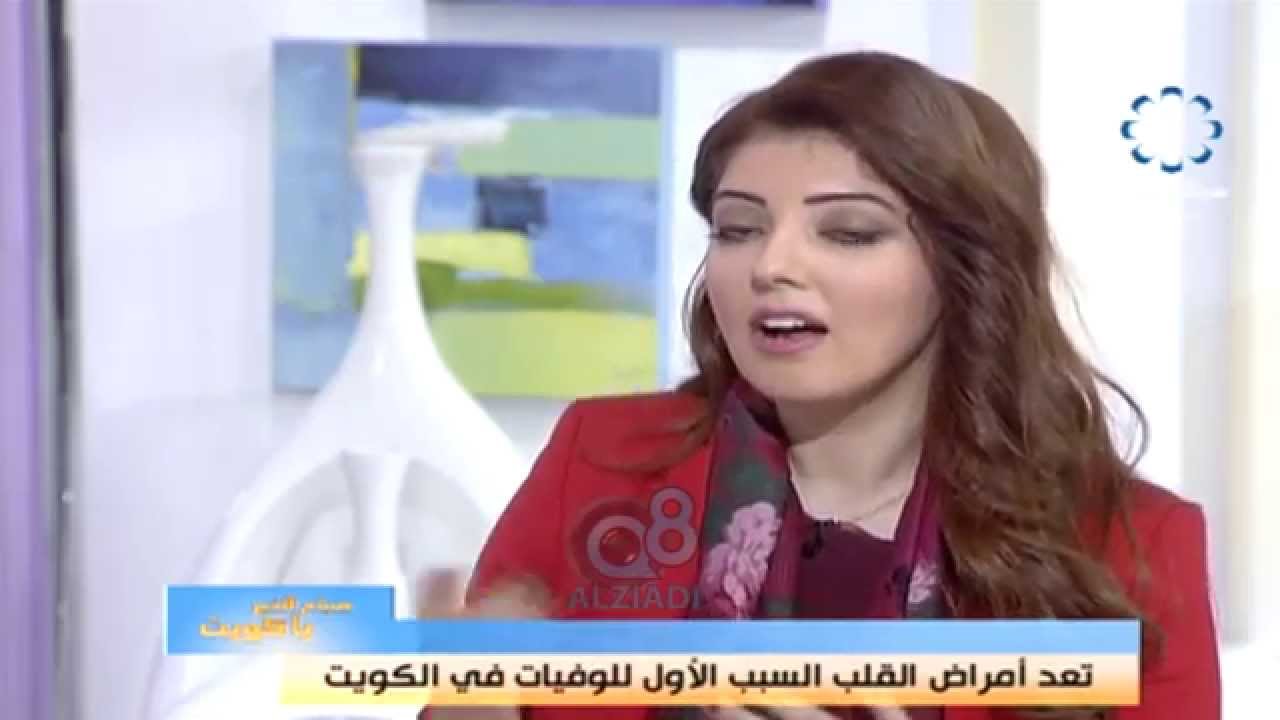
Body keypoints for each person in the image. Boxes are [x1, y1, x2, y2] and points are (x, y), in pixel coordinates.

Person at [416, 51, 1221, 720]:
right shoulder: (601, 459)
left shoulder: (1132, 548)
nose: (771, 265)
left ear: (966, 270)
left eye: (849, 232)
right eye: (738, 228)